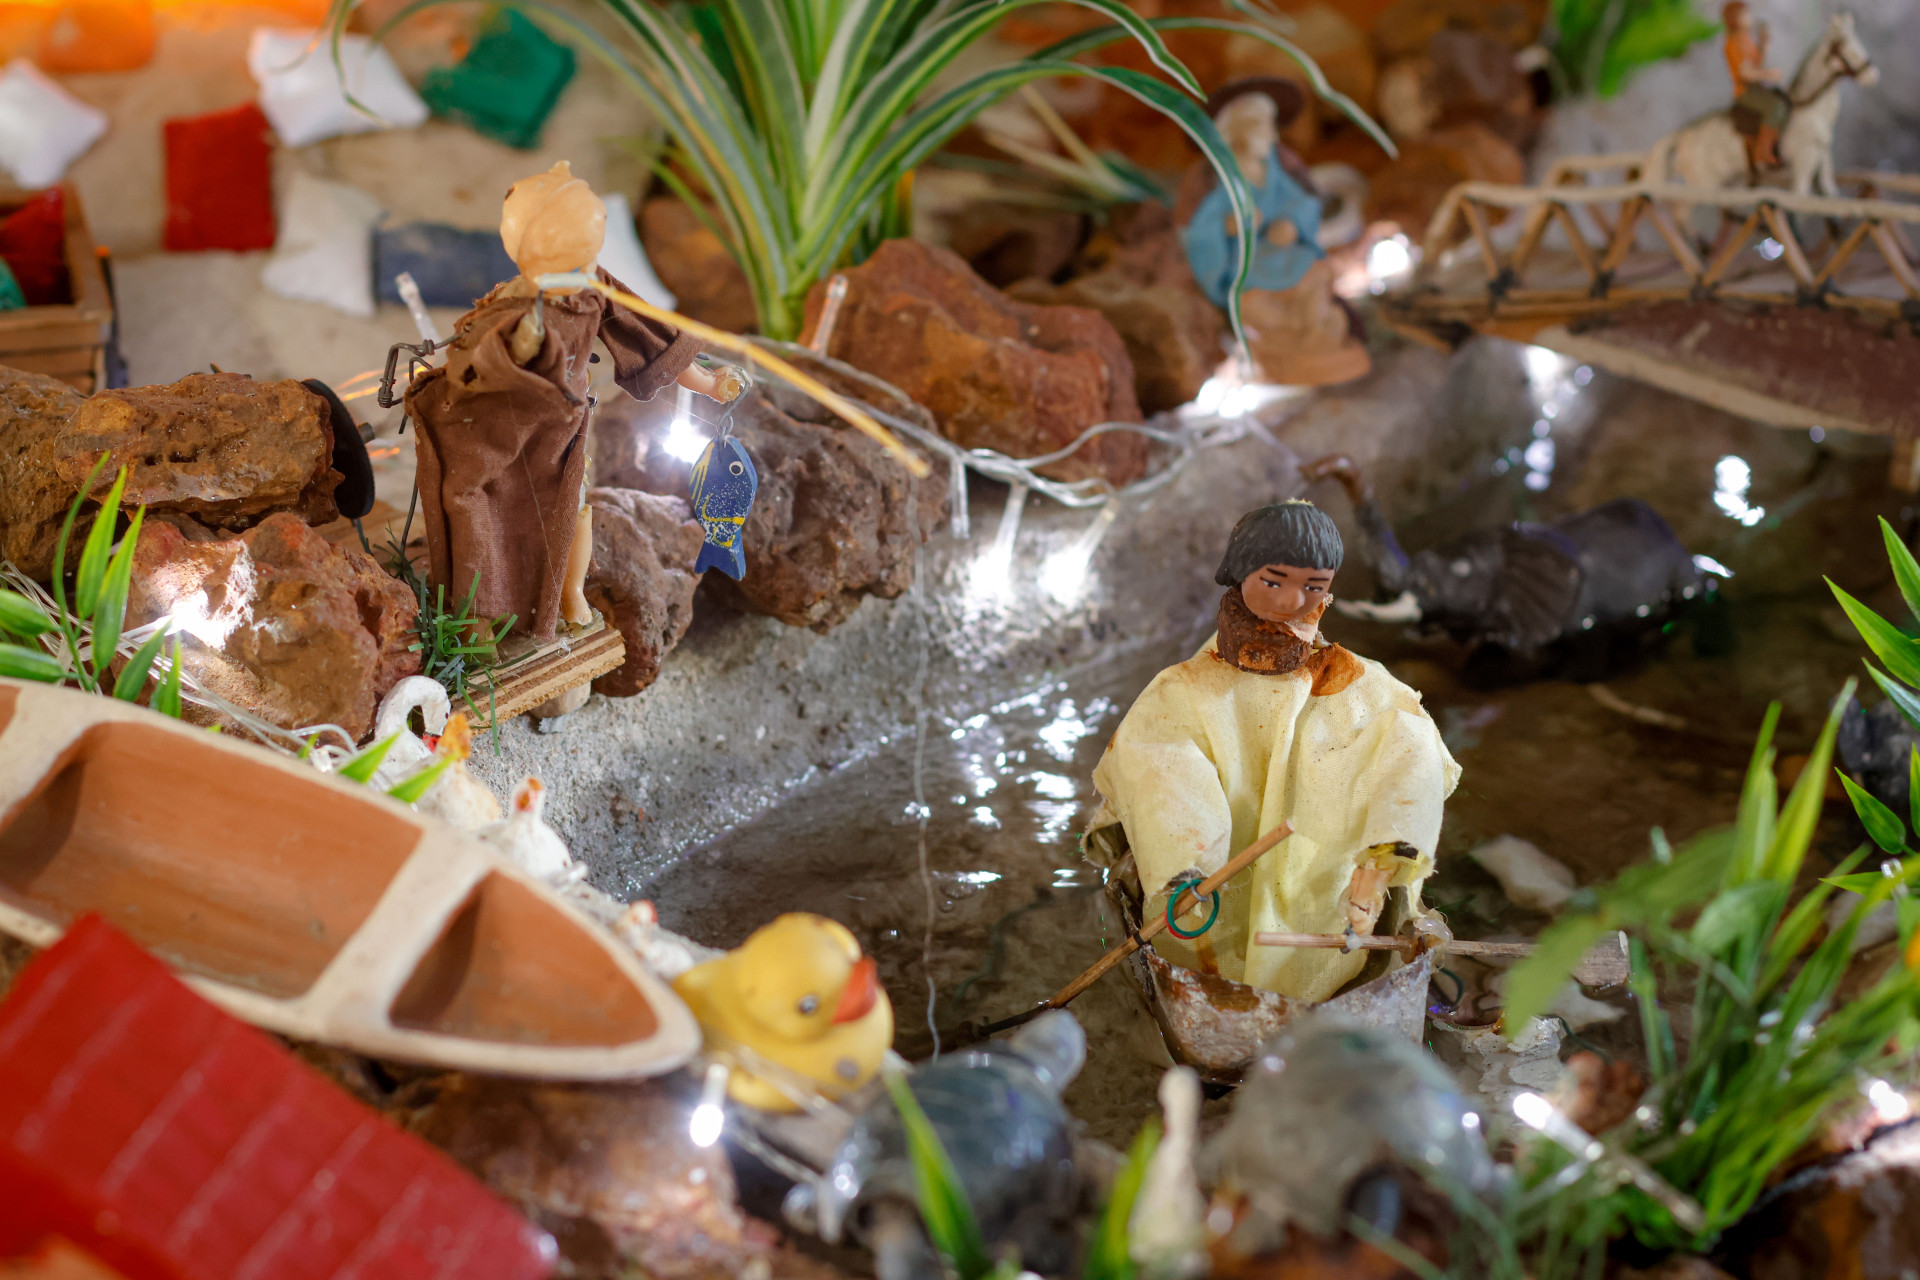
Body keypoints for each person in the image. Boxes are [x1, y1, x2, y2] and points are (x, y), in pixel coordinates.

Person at [1088, 500, 1459, 1002]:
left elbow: (1410, 760)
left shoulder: (1365, 690)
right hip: (1208, 909)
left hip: (1323, 907)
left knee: (1324, 955)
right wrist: (1186, 865)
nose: (1291, 600)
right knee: (1199, 930)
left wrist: (1376, 870)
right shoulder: (1186, 689)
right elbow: (1159, 760)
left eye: (1314, 586)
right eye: (1272, 581)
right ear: (1240, 572)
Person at [405, 161, 741, 646]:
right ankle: (475, 620)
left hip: (557, 430)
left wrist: (707, 382)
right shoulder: (513, 303)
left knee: (569, 508)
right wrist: (501, 353)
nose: (578, 271)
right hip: (491, 428)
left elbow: (652, 338)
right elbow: (472, 359)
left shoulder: (593, 291)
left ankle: (568, 595)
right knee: (472, 503)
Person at [1724, 1, 1787, 172]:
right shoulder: (1734, 42)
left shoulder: (1746, 39)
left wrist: (1764, 45)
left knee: (1782, 98)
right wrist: (1768, 74)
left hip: (1755, 88)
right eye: (1745, 15)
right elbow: (1745, 73)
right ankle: (1762, 151)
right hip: (1745, 91)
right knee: (1776, 107)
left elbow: (1757, 63)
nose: (1749, 18)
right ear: (1736, 19)